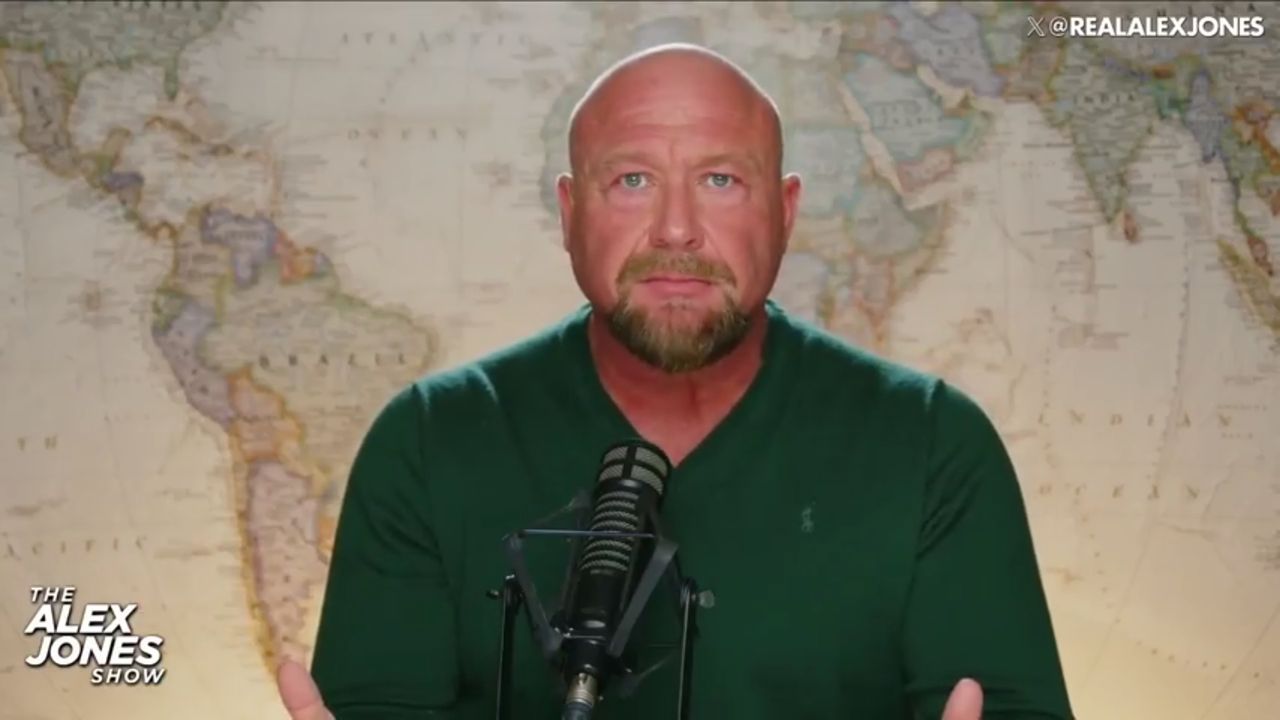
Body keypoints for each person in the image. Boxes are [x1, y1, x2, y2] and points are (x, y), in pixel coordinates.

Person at [275, 43, 1074, 720]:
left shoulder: (931, 445)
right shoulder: (429, 441)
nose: (677, 229)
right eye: (632, 181)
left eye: (721, 180)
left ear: (786, 212)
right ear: (569, 213)